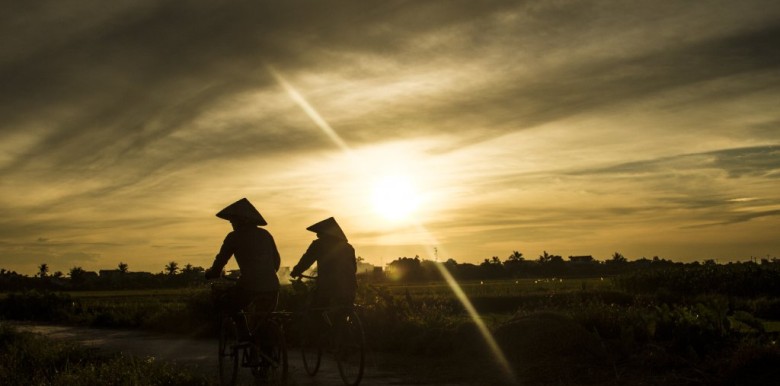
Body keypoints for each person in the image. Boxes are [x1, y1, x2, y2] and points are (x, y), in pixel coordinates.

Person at [205, 198, 281, 346]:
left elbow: (220, 261)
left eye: (233, 221)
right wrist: (266, 273)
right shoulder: (265, 234)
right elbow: (276, 262)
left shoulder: (234, 237)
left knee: (230, 305)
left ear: (242, 220)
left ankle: (245, 335)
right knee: (263, 319)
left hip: (249, 286)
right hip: (272, 286)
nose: (232, 224)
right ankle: (266, 351)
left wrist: (212, 273)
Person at [290, 217, 357, 308]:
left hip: (329, 287)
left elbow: (306, 260)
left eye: (319, 232)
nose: (317, 235)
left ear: (325, 233)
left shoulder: (319, 244)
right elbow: (354, 268)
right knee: (342, 314)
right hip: (350, 287)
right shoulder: (348, 247)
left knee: (317, 310)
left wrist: (296, 271)